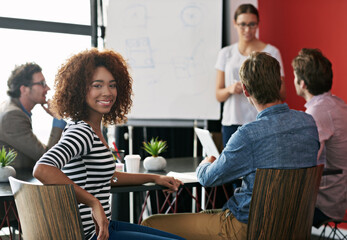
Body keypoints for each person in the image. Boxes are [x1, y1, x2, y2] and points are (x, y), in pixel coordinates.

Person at [141, 52, 319, 240]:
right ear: (279, 84)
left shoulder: (248, 135)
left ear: (245, 90)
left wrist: (206, 162)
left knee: (150, 224)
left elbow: (208, 179)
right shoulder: (308, 124)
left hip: (245, 229)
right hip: (293, 229)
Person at [33, 48, 185, 240]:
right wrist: (93, 203)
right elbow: (43, 169)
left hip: (104, 227)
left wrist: (154, 178)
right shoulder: (82, 131)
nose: (107, 92)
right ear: (80, 90)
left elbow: (108, 176)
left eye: (112, 85)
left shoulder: (93, 129)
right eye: (97, 85)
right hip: (90, 235)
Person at [215, 3, 285, 146]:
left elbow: (282, 93)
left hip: (260, 120)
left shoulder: (272, 52)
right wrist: (230, 89)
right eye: (243, 24)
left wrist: (259, 87)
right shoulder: (226, 53)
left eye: (252, 24)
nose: (247, 29)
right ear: (235, 23)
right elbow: (218, 94)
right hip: (232, 121)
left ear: (258, 24)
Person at [292, 48, 347, 227]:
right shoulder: (336, 104)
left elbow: (304, 161)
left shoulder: (318, 112)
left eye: (294, 76)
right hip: (338, 193)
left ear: (303, 84)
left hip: (324, 202)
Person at [0, 62, 66, 169]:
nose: (48, 88)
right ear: (24, 89)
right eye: (42, 83)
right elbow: (48, 159)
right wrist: (58, 118)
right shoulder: (12, 116)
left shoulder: (11, 107)